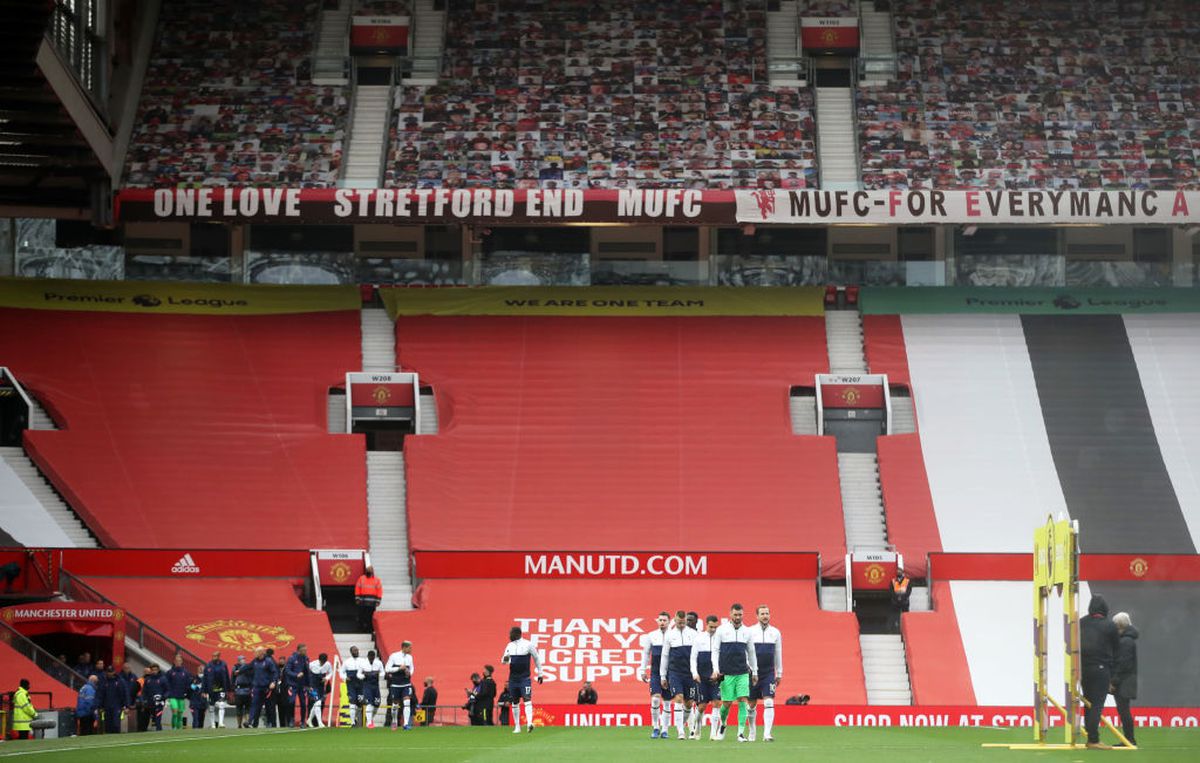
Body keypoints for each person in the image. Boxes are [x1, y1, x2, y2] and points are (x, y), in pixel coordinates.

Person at [711, 602, 758, 742]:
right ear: (730, 614)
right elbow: (715, 650)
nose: (738, 617)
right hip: (726, 673)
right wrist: (715, 669)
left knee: (743, 700)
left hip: (742, 672)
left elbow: (751, 652)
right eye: (735, 614)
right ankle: (723, 724)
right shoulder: (721, 630)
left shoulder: (747, 631)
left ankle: (740, 733)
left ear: (743, 615)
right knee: (726, 704)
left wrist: (755, 672)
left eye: (740, 615)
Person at [1080, 595, 1120, 750]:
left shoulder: (1082, 622)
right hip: (1101, 669)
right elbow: (1117, 651)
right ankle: (1093, 740)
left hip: (1083, 669)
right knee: (1096, 704)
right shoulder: (1110, 625)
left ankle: (1091, 738)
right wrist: (1113, 676)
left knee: (1088, 703)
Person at [660, 610, 699, 740]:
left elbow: (697, 655)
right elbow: (665, 656)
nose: (681, 624)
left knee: (689, 703)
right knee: (678, 698)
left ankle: (682, 724)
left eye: (683, 622)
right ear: (675, 620)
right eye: (679, 622)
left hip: (689, 673)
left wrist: (697, 672)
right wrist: (663, 675)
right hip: (675, 672)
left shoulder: (694, 634)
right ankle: (680, 731)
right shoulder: (669, 635)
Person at [747, 604, 783, 742]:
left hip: (768, 673)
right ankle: (752, 732)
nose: (765, 616)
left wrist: (779, 673)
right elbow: (746, 652)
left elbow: (778, 653)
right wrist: (749, 669)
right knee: (751, 704)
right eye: (762, 613)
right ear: (757, 616)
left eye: (767, 613)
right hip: (753, 673)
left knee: (769, 701)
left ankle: (767, 734)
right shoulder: (750, 631)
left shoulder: (775, 632)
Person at [501, 625, 544, 734]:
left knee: (527, 699)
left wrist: (540, 673)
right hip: (513, 679)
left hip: (524, 678)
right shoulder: (509, 645)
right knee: (515, 702)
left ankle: (529, 723)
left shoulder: (528, 644)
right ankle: (517, 727)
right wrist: (506, 658)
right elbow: (504, 660)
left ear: (517, 634)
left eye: (511, 633)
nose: (509, 635)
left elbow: (536, 658)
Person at [638, 611, 671, 738]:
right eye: (660, 620)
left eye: (664, 620)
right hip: (656, 672)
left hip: (670, 672)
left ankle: (665, 730)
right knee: (656, 699)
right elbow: (646, 654)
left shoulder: (673, 636)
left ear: (669, 622)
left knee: (667, 702)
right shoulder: (651, 636)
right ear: (657, 621)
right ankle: (655, 727)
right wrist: (642, 670)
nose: (662, 622)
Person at [691, 614, 721, 740]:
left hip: (716, 676)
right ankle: (696, 727)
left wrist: (719, 672)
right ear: (706, 624)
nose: (713, 629)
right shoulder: (699, 638)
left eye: (715, 627)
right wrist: (694, 673)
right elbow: (693, 658)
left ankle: (713, 733)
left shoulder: (720, 638)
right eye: (711, 627)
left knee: (717, 703)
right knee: (701, 706)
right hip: (701, 677)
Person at [1111, 612, 1139, 748]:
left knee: (1124, 711)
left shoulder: (1125, 641)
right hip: (1126, 680)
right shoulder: (1128, 640)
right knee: (1123, 711)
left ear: (1120, 626)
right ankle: (1129, 739)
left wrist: (1114, 681)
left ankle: (1130, 739)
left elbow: (1123, 664)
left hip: (1124, 681)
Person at [245, 646, 279, 728]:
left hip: (267, 687)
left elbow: (275, 673)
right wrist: (239, 671)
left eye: (256, 652)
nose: (254, 654)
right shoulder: (255, 661)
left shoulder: (269, 661)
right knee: (254, 704)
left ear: (261, 653)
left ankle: (271, 723)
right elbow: (247, 666)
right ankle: (250, 721)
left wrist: (273, 682)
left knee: (269, 706)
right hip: (257, 687)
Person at [384, 641, 414, 729]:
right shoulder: (394, 656)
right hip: (396, 684)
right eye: (410, 648)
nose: (411, 649)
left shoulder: (410, 657)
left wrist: (409, 672)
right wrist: (399, 668)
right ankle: (394, 721)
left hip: (406, 683)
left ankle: (406, 724)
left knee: (407, 702)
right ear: (404, 647)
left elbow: (412, 668)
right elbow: (387, 669)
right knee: (395, 705)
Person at [203, 651, 231, 729]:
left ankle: (221, 723)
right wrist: (204, 691)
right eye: (213, 656)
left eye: (215, 656)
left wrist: (228, 689)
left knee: (222, 704)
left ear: (219, 656)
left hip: (221, 688)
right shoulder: (208, 665)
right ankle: (212, 724)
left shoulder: (223, 665)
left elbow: (227, 676)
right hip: (211, 689)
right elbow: (204, 679)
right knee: (211, 707)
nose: (214, 658)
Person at [284, 644, 310, 729]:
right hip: (292, 684)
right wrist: (296, 675)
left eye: (306, 650)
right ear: (299, 650)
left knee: (303, 703)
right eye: (304, 650)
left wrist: (309, 685)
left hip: (302, 685)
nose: (305, 652)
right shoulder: (292, 658)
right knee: (291, 702)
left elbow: (307, 673)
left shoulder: (306, 659)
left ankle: (303, 721)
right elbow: (287, 670)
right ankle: (291, 720)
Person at [341, 645, 365, 727]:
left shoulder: (363, 661)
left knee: (359, 704)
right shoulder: (346, 662)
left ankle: (355, 718)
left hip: (361, 684)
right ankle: (352, 723)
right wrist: (345, 677)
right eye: (355, 650)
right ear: (351, 652)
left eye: (357, 650)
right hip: (351, 684)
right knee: (352, 702)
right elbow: (341, 672)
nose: (356, 652)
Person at [165, 654, 191, 730]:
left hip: (181, 696)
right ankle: (174, 729)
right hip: (172, 696)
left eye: (179, 661)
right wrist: (168, 694)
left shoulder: (185, 672)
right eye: (176, 661)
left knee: (180, 714)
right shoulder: (170, 672)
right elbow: (166, 684)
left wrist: (187, 693)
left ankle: (179, 730)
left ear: (182, 661)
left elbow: (188, 684)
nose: (178, 662)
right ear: (174, 662)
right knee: (175, 712)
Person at [307, 653, 333, 728]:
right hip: (312, 686)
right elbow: (307, 673)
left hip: (321, 686)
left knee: (316, 704)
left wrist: (327, 678)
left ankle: (309, 720)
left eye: (324, 662)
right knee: (317, 702)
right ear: (319, 660)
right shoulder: (312, 664)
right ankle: (320, 722)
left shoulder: (328, 664)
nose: (323, 663)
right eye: (321, 662)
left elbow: (331, 672)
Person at [354, 566, 383, 632]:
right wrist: (357, 598)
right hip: (362, 602)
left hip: (371, 603)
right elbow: (357, 588)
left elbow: (379, 591)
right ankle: (362, 628)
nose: (369, 572)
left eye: (369, 571)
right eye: (368, 571)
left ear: (372, 572)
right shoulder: (361, 579)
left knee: (370, 617)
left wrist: (378, 600)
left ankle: (369, 629)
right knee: (361, 616)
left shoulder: (377, 580)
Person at [141, 664, 168, 731]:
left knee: (158, 718)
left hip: (159, 702)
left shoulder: (163, 679)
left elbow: (168, 690)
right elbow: (144, 691)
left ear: (158, 670)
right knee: (151, 719)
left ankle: (158, 732)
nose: (154, 671)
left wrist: (163, 697)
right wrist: (144, 700)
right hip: (150, 703)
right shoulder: (148, 680)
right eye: (153, 670)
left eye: (155, 670)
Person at [361, 649, 384, 728]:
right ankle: (370, 722)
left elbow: (383, 672)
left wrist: (379, 674)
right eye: (370, 657)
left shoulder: (379, 663)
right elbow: (358, 674)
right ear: (367, 657)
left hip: (376, 685)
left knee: (377, 703)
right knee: (369, 703)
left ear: (374, 657)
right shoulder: (363, 663)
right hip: (367, 685)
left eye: (373, 657)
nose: (371, 659)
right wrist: (363, 676)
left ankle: (369, 719)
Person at [232, 655, 252, 728]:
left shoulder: (248, 667)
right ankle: (239, 725)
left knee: (248, 708)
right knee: (239, 708)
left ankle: (247, 722)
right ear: (238, 660)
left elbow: (251, 676)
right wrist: (232, 689)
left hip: (247, 690)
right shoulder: (235, 666)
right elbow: (234, 674)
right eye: (241, 659)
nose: (243, 660)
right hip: (238, 690)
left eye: (244, 659)